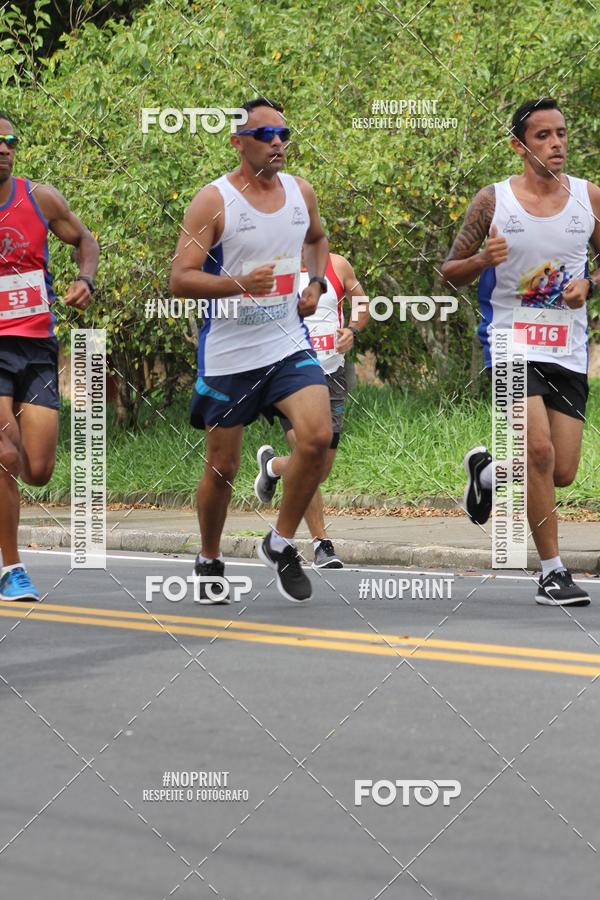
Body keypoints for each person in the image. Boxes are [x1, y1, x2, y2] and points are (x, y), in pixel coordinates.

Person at [169, 97, 332, 604]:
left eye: (283, 132)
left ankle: (280, 542)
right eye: (265, 135)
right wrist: (240, 283)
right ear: (238, 142)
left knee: (318, 437)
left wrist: (316, 284)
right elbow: (180, 278)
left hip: (286, 343)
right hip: (230, 355)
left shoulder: (301, 192)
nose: (278, 142)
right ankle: (209, 557)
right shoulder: (213, 201)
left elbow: (318, 240)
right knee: (223, 469)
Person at [441, 97, 599, 607]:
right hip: (509, 341)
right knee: (538, 452)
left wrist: (590, 285)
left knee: (561, 471)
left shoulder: (589, 198)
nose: (556, 144)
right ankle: (552, 572)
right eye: (542, 136)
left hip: (568, 349)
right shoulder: (493, 201)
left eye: (561, 134)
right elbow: (448, 272)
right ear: (518, 145)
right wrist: (482, 257)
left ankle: (486, 473)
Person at [0, 113, 99, 600]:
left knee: (37, 470)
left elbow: (85, 240)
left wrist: (86, 279)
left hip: (37, 346)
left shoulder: (39, 197)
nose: (3, 149)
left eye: (10, 141)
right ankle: (12, 568)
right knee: (5, 454)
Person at [253, 250, 369, 568]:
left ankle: (274, 467)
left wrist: (353, 330)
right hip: (291, 379)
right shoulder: (273, 267)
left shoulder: (338, 265)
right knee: (308, 456)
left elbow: (362, 303)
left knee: (319, 470)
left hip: (331, 375)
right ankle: (322, 545)